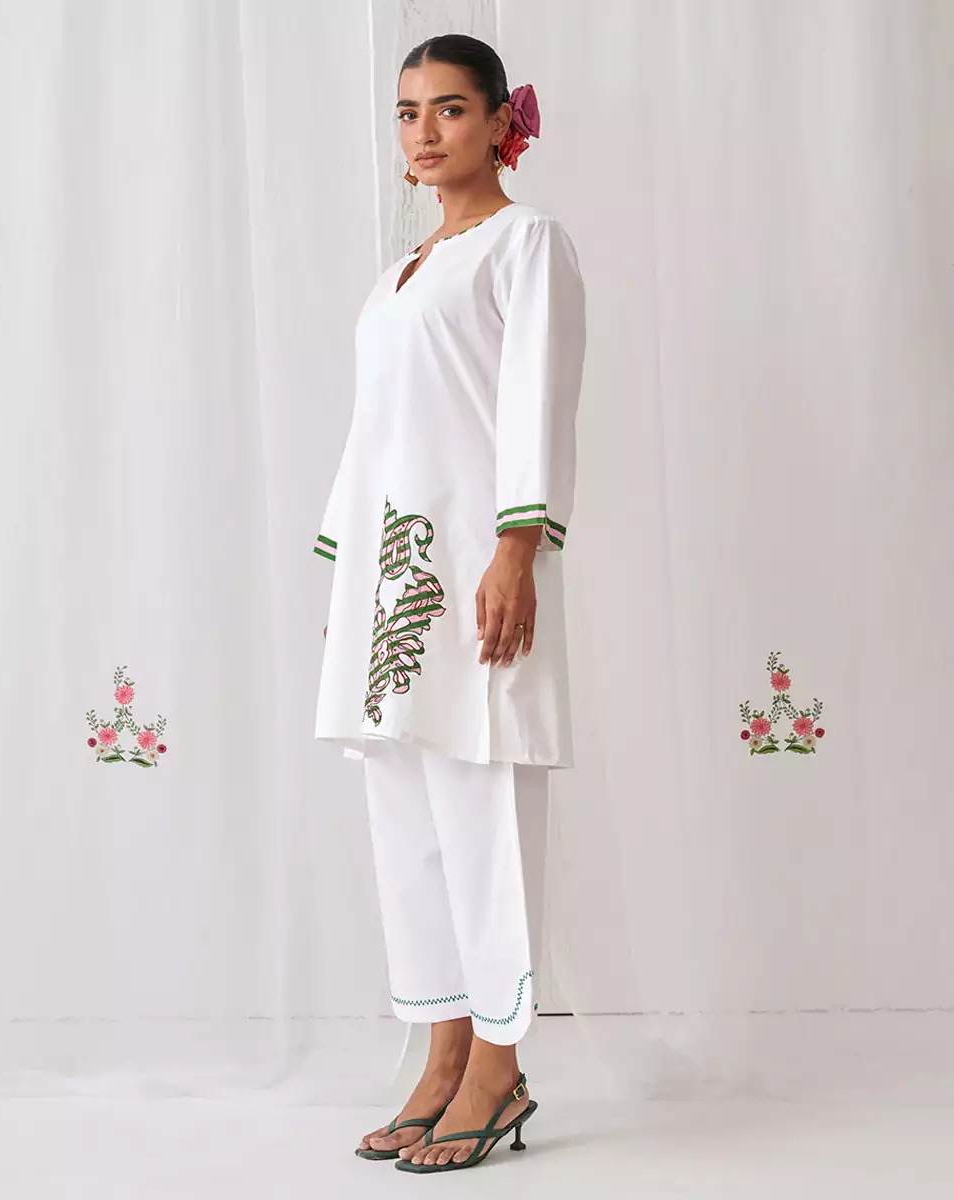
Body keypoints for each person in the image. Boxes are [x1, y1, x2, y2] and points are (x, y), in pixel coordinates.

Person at [311, 33, 586, 1173]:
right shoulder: (399, 276)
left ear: (499, 123)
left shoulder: (526, 243)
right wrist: (346, 576)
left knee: (482, 805)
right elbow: (371, 430)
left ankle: (499, 1066)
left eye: (450, 109)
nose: (423, 133)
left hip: (479, 567)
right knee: (409, 818)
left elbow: (536, 400)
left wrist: (518, 547)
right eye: (407, 112)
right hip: (390, 582)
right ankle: (442, 1051)